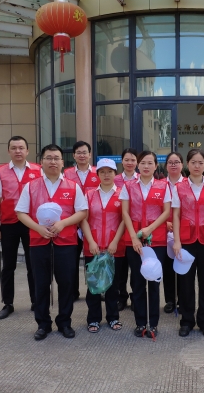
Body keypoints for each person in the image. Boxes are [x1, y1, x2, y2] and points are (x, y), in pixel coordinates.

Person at [15, 144, 88, 340]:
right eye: (49, 158)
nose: (53, 161)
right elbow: (21, 212)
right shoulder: (31, 186)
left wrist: (63, 223)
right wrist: (38, 228)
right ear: (41, 161)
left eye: (56, 158)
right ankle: (43, 324)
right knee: (41, 283)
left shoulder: (73, 186)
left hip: (66, 242)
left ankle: (64, 322)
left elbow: (82, 211)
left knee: (66, 284)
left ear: (63, 162)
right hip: (39, 242)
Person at [0, 136, 42, 320]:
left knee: (33, 264)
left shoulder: (38, 170)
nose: (18, 151)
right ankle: (8, 303)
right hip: (9, 224)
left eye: (21, 148)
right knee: (8, 266)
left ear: (27, 151)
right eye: (14, 148)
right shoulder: (0, 172)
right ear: (9, 151)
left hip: (31, 224)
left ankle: (36, 301)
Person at [172, 149, 204, 338]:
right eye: (193, 162)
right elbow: (176, 215)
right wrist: (177, 241)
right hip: (186, 241)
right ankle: (186, 321)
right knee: (185, 284)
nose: (197, 166)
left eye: (200, 162)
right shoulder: (179, 187)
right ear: (187, 164)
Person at [120, 151, 171, 337]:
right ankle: (140, 322)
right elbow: (125, 213)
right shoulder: (128, 186)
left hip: (156, 239)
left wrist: (150, 228)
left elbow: (166, 212)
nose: (146, 166)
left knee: (154, 281)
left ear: (156, 166)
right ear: (138, 165)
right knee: (138, 282)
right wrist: (134, 237)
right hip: (134, 240)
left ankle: (153, 323)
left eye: (150, 163)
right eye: (143, 163)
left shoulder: (163, 186)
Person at [81, 158, 126, 334]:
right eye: (102, 172)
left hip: (114, 247)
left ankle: (113, 317)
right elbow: (83, 219)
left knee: (113, 285)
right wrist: (91, 241)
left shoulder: (122, 194)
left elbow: (124, 220)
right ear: (97, 174)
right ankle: (93, 318)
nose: (106, 175)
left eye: (110, 171)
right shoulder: (89, 194)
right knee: (93, 285)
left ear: (115, 173)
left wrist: (115, 242)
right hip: (93, 247)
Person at [64, 141, 101, 302]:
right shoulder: (66, 174)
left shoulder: (98, 173)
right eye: (78, 152)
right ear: (73, 155)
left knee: (94, 259)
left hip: (93, 223)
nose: (82, 155)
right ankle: (73, 291)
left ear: (90, 154)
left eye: (85, 152)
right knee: (71, 260)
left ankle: (96, 290)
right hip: (72, 223)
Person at [113, 148, 138, 311]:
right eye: (126, 160)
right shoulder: (114, 180)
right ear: (121, 161)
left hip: (136, 230)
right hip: (117, 228)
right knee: (120, 268)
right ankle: (121, 297)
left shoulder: (141, 179)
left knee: (136, 269)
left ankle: (136, 297)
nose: (129, 163)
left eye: (133, 160)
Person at [162, 152, 184, 314]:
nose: (173, 165)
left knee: (183, 266)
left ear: (182, 165)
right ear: (166, 166)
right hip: (163, 231)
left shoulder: (189, 184)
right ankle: (170, 299)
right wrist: (165, 223)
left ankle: (183, 300)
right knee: (167, 267)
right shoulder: (159, 185)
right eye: (170, 162)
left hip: (184, 231)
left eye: (177, 162)